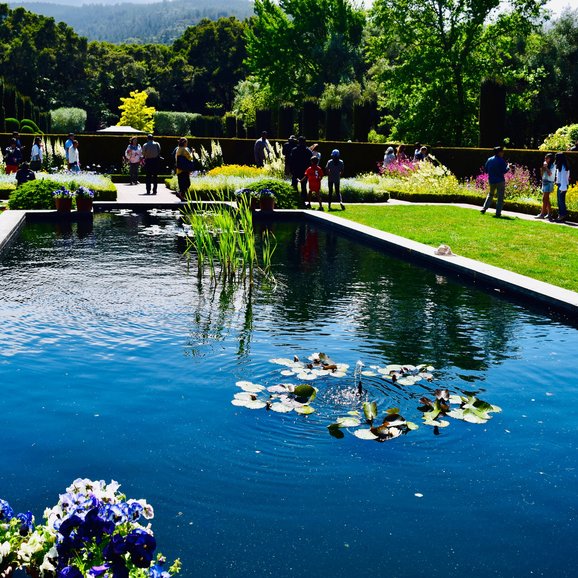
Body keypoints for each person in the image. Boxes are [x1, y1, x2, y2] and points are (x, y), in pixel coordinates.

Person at [481, 146, 509, 218]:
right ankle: (498, 213)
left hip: (492, 180)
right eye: (502, 151)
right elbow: (504, 171)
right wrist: (508, 166)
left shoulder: (489, 160)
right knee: (500, 197)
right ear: (499, 152)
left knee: (490, 194)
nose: (503, 153)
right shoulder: (501, 160)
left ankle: (484, 208)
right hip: (500, 180)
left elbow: (486, 170)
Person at [290, 136, 312, 207]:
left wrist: (291, 170)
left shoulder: (294, 150)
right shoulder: (308, 151)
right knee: (303, 186)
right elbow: (310, 163)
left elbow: (291, 161)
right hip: (304, 172)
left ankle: (295, 200)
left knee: (294, 186)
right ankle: (303, 201)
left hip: (295, 171)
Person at [536, 152, 555, 219]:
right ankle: (549, 214)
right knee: (546, 199)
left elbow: (550, 174)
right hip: (544, 182)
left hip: (549, 183)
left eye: (546, 158)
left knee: (544, 199)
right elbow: (542, 176)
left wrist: (546, 167)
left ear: (550, 159)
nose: (545, 159)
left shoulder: (553, 166)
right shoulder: (547, 165)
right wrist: (542, 169)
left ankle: (542, 214)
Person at [175, 137, 194, 201]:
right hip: (184, 169)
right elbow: (190, 158)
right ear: (184, 143)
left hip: (179, 169)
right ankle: (180, 194)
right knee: (187, 183)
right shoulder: (184, 149)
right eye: (186, 142)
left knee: (182, 184)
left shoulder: (178, 149)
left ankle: (182, 196)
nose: (187, 144)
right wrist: (192, 152)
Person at [553, 152, 570, 223]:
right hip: (562, 185)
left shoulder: (563, 167)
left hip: (562, 186)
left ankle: (562, 215)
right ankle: (561, 215)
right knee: (560, 201)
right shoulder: (562, 166)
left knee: (561, 201)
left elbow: (563, 178)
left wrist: (562, 188)